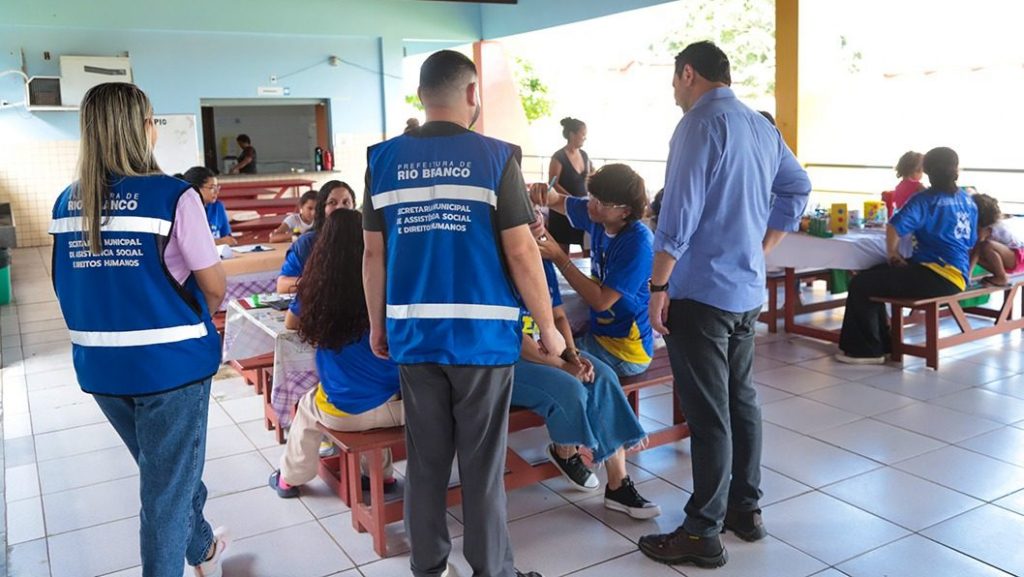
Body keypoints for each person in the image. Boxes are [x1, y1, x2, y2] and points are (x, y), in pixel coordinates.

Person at [363, 49, 563, 577]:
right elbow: (522, 252)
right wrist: (548, 330)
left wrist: (377, 326)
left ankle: (428, 568)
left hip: (414, 337)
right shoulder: (497, 158)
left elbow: (372, 254)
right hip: (482, 342)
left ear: (423, 96)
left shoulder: (381, 160)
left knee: (425, 466)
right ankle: (492, 571)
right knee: (482, 468)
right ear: (472, 93)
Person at [641, 41, 811, 568]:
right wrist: (763, 247)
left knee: (709, 412)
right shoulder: (760, 126)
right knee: (742, 402)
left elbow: (681, 209)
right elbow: (798, 186)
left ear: (688, 73)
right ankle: (746, 509)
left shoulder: (699, 123)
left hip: (700, 293)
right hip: (743, 293)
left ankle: (701, 530)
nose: (673, 91)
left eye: (674, 80)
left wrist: (657, 286)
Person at [49, 83, 229, 577]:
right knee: (166, 493)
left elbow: (66, 290)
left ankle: (204, 547)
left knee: (168, 476)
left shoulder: (68, 203)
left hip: (102, 370)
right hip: (170, 369)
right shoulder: (173, 195)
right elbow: (215, 288)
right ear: (143, 128)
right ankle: (187, 552)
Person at [514, 207, 659, 519]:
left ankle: (619, 485)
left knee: (602, 375)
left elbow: (558, 316)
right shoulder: (497, 264)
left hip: (546, 348)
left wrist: (573, 355)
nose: (539, 233)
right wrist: (565, 366)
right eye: (532, 227)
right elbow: (514, 339)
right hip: (509, 358)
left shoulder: (540, 262)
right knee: (570, 387)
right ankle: (566, 449)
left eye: (539, 226)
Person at [268, 208, 404, 497]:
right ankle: (383, 477)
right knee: (375, 393)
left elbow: (292, 323)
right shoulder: (393, 286)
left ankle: (290, 478)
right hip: (404, 408)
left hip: (345, 412)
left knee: (308, 406)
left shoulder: (319, 291)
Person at [836, 147, 977, 364]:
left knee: (861, 283)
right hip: (956, 273)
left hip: (937, 274)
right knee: (872, 276)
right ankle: (883, 345)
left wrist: (892, 253)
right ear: (956, 168)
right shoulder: (967, 199)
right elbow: (971, 240)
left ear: (927, 170)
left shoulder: (925, 199)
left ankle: (866, 351)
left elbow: (895, 226)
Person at [533, 164, 654, 377]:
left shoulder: (638, 244)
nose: (592, 204)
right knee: (548, 347)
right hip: (600, 334)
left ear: (625, 211)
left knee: (547, 359)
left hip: (625, 350)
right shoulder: (598, 215)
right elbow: (557, 200)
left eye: (601, 202)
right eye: (591, 196)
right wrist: (543, 192)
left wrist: (560, 257)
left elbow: (601, 301)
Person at [276, 180, 356, 294]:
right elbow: (282, 285)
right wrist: (320, 282)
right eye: (332, 202)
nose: (340, 208)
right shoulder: (307, 243)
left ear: (353, 206)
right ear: (322, 208)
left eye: (346, 202)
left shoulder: (366, 240)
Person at [547, 117, 592, 253]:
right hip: (562, 209)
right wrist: (570, 199)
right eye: (583, 134)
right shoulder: (559, 156)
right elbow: (553, 183)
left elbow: (590, 178)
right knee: (562, 250)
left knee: (587, 247)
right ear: (572, 134)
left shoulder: (584, 155)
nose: (585, 137)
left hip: (582, 207)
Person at [971, 193, 1024, 287]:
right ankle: (1000, 275)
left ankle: (1001, 277)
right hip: (1011, 260)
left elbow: (977, 248)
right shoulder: (983, 227)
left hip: (1019, 257)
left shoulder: (989, 228)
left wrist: (967, 275)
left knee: (986, 246)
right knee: (974, 252)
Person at [178, 166, 237, 246]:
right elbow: (190, 244)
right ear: (196, 189)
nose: (217, 192)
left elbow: (230, 241)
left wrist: (209, 243)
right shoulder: (183, 210)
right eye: (212, 187)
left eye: (217, 187)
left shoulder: (217, 207)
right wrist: (218, 242)